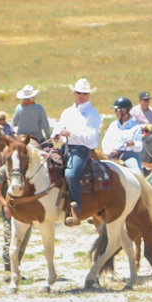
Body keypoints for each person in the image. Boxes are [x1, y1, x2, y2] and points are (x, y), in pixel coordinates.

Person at [52, 77, 101, 226]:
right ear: (74, 93)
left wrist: (71, 133)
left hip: (82, 150)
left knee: (71, 174)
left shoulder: (93, 114)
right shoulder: (67, 111)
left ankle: (77, 210)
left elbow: (91, 137)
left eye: (84, 94)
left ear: (89, 95)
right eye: (79, 92)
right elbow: (59, 126)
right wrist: (55, 135)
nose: (81, 96)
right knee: (48, 165)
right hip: (65, 147)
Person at [0, 154, 32, 282]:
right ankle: (8, 269)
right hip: (11, 210)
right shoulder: (2, 171)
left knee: (24, 240)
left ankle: (16, 267)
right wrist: (5, 204)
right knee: (10, 238)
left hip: (25, 211)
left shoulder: (26, 169)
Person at [102, 96, 144, 171]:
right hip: (113, 156)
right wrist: (110, 152)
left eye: (117, 110)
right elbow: (105, 141)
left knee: (136, 172)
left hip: (130, 156)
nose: (115, 112)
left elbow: (139, 147)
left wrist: (133, 144)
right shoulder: (113, 125)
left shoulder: (135, 126)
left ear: (124, 110)